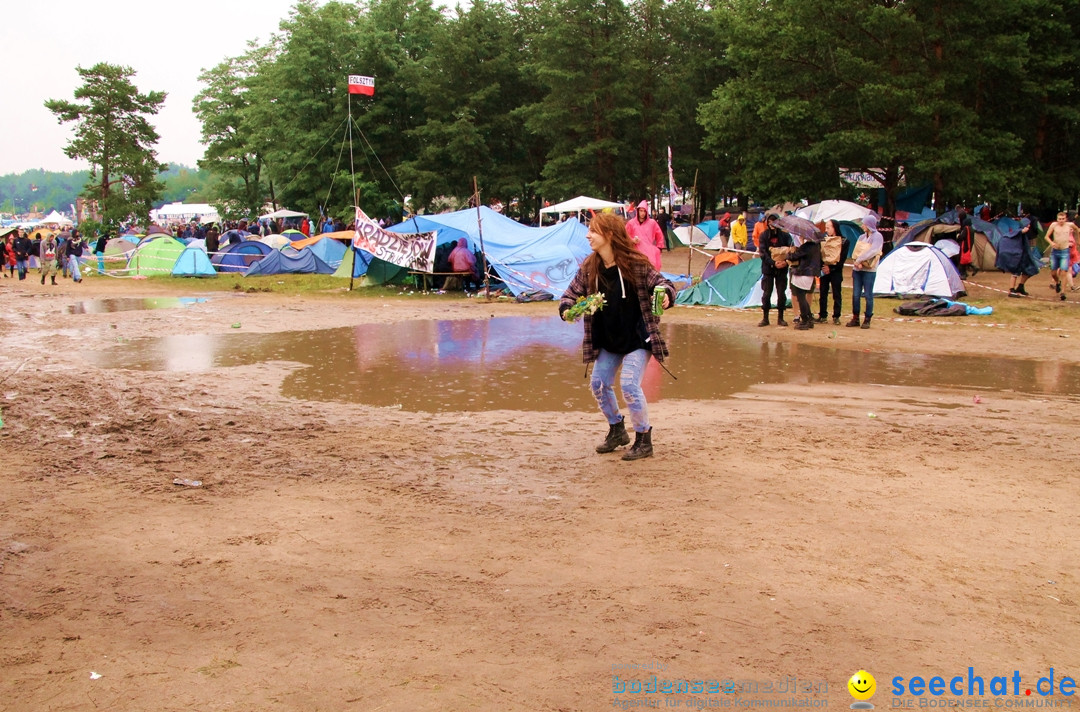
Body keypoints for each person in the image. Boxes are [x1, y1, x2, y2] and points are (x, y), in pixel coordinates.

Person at [559, 213, 675, 461]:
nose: (587, 235)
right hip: (608, 340)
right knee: (598, 384)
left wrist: (666, 294)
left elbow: (663, 283)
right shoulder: (590, 267)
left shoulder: (635, 263)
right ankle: (617, 430)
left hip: (637, 339)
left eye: (593, 231)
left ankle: (644, 439)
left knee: (629, 385)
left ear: (609, 235)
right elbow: (569, 295)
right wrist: (567, 309)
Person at [847, 212, 884, 329]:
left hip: (869, 270)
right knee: (856, 294)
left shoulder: (877, 236)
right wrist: (856, 262)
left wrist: (860, 260)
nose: (862, 226)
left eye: (864, 224)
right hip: (857, 269)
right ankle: (855, 317)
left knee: (868, 294)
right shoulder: (861, 237)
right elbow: (856, 251)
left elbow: (873, 251)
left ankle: (867, 318)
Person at [757, 214, 791, 327]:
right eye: (770, 221)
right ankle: (765, 318)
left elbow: (791, 251)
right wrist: (773, 263)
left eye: (774, 221)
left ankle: (780, 317)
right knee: (767, 293)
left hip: (782, 269)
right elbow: (763, 253)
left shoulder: (785, 236)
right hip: (768, 269)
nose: (772, 223)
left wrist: (785, 262)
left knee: (781, 293)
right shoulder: (764, 236)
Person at [998, 215, 1040, 297]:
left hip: (1025, 256)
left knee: (1031, 270)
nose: (1029, 226)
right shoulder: (1018, 232)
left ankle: (1021, 286)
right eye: (1028, 224)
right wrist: (1022, 231)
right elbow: (1015, 234)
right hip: (1017, 256)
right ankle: (1011, 290)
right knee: (1015, 273)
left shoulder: (1026, 234)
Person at [788, 233, 822, 330]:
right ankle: (809, 318)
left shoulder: (807, 246)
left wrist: (789, 253)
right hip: (810, 274)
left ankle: (805, 320)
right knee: (802, 296)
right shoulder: (816, 245)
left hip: (803, 273)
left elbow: (794, 256)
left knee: (801, 297)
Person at [817, 219, 849, 324]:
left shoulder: (844, 241)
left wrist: (831, 269)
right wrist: (823, 267)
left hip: (836, 270)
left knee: (836, 293)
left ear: (834, 227)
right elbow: (820, 255)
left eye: (828, 227)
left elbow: (842, 259)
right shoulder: (823, 240)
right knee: (823, 293)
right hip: (824, 269)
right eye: (826, 228)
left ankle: (836, 316)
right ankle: (822, 315)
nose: (826, 230)